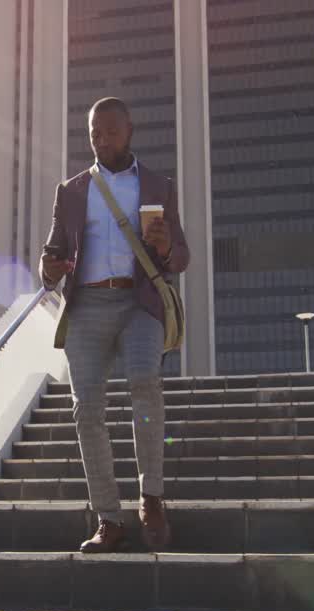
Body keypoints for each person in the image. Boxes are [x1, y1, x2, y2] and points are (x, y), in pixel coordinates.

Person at [38, 97, 190, 553]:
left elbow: (180, 257)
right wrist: (49, 268)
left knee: (145, 383)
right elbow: (51, 256)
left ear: (129, 131)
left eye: (109, 131)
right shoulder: (72, 190)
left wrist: (164, 248)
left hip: (138, 302)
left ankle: (152, 497)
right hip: (86, 307)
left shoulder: (159, 186)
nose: (101, 140)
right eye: (93, 134)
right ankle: (108, 517)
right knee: (86, 411)